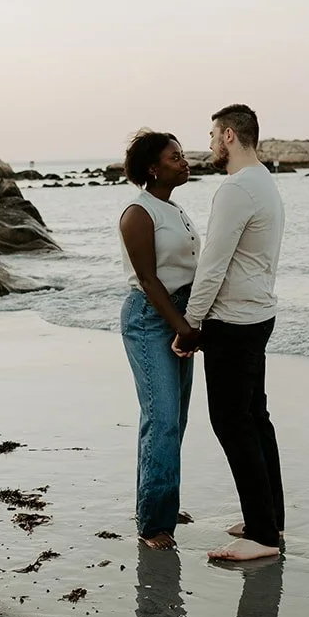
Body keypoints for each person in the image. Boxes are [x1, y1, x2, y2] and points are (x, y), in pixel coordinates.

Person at [173, 104, 286, 562]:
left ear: (230, 137)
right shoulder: (265, 182)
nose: (210, 144)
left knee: (233, 422)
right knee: (254, 418)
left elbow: (213, 264)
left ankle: (262, 535)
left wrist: (191, 323)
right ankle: (269, 518)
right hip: (258, 314)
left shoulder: (236, 188)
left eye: (213, 135)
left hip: (234, 321)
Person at [117, 130, 199, 550]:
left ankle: (160, 503)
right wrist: (182, 327)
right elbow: (148, 279)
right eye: (175, 157)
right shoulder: (139, 212)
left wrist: (194, 319)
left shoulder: (176, 209)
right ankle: (153, 524)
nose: (184, 162)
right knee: (162, 418)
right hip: (151, 319)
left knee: (172, 420)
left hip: (180, 315)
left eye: (182, 155)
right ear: (153, 167)